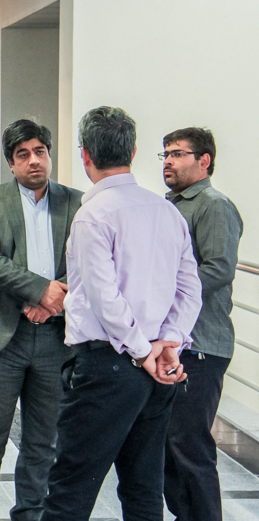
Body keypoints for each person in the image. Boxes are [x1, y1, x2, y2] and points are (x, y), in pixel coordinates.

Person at [41, 106, 202, 521]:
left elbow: (103, 297)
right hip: (157, 370)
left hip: (107, 366)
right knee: (143, 488)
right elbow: (190, 289)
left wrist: (143, 351)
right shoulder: (166, 211)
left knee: (70, 489)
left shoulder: (93, 215)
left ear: (85, 155)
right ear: (132, 151)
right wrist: (169, 343)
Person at [0, 119, 82, 521]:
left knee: (44, 438)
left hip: (56, 338)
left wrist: (53, 300)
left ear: (49, 155)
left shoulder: (77, 203)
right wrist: (39, 291)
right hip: (1, 335)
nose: (34, 161)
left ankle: (30, 513)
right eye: (23, 154)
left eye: (40, 152)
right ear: (11, 163)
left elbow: (91, 261)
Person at [161, 127, 242, 521]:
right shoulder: (171, 206)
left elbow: (219, 269)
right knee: (169, 445)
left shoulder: (213, 205)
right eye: (165, 154)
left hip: (202, 345)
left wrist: (164, 293)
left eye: (177, 153)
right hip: (176, 343)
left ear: (204, 160)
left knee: (189, 445)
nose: (168, 161)